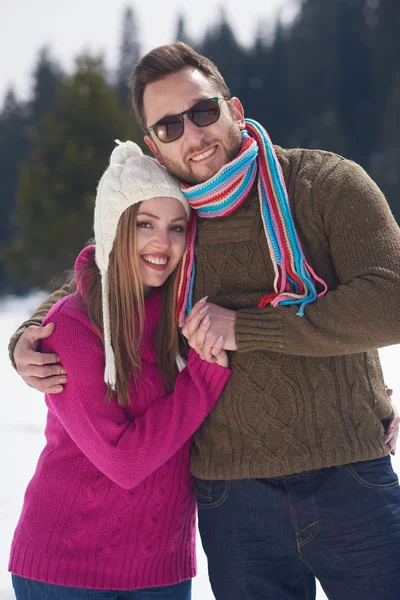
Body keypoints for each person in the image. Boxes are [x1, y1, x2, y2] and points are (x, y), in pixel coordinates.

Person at [9, 43, 400, 599]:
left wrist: (247, 329)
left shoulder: (323, 184)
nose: (192, 136)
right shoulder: (176, 218)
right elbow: (103, 278)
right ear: (153, 146)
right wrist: (26, 337)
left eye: (202, 112)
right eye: (169, 126)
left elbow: (391, 299)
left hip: (349, 473)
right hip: (233, 500)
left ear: (234, 108)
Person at [8, 141, 230, 600]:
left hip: (162, 568)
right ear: (114, 228)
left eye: (175, 228)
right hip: (66, 569)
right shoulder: (73, 325)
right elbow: (123, 461)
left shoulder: (186, 315)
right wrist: (203, 379)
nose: (161, 243)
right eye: (144, 224)